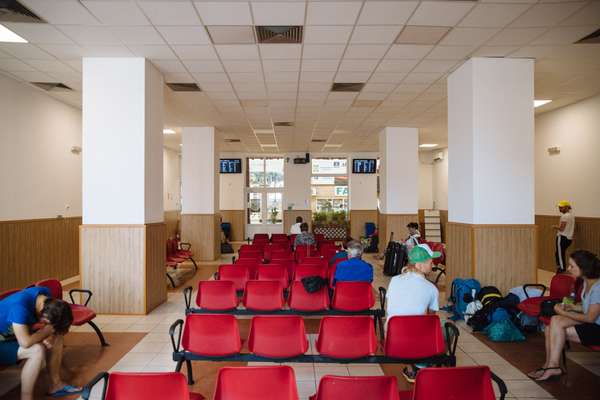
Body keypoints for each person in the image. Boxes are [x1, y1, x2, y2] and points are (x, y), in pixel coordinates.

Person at [527, 250, 600, 382]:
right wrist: (572, 307)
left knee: (556, 320)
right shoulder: (585, 282)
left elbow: (590, 317)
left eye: (572, 266)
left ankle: (553, 366)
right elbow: (586, 307)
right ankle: (550, 365)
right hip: (591, 324)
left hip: (596, 329)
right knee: (551, 326)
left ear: (584, 268)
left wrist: (564, 312)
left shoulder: (598, 287)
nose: (568, 269)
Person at [0, 286, 81, 399]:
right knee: (37, 350)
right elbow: (25, 343)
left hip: (12, 335)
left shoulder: (44, 296)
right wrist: (46, 331)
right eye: (47, 323)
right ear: (44, 318)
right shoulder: (19, 308)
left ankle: (55, 385)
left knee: (57, 336)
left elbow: (49, 327)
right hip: (4, 342)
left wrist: (50, 334)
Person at [385, 243, 441, 382]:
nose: (432, 264)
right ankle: (424, 364)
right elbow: (431, 319)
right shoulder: (431, 288)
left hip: (393, 335)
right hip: (416, 337)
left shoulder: (394, 280)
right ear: (419, 265)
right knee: (446, 330)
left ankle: (411, 369)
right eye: (429, 261)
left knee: (408, 326)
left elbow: (389, 308)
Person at [554, 200, 575, 273]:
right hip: (568, 238)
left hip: (562, 237)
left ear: (566, 207)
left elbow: (561, 228)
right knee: (558, 253)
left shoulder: (565, 216)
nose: (559, 209)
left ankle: (562, 270)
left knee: (560, 254)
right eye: (559, 207)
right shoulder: (571, 215)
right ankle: (560, 267)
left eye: (561, 207)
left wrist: (554, 227)